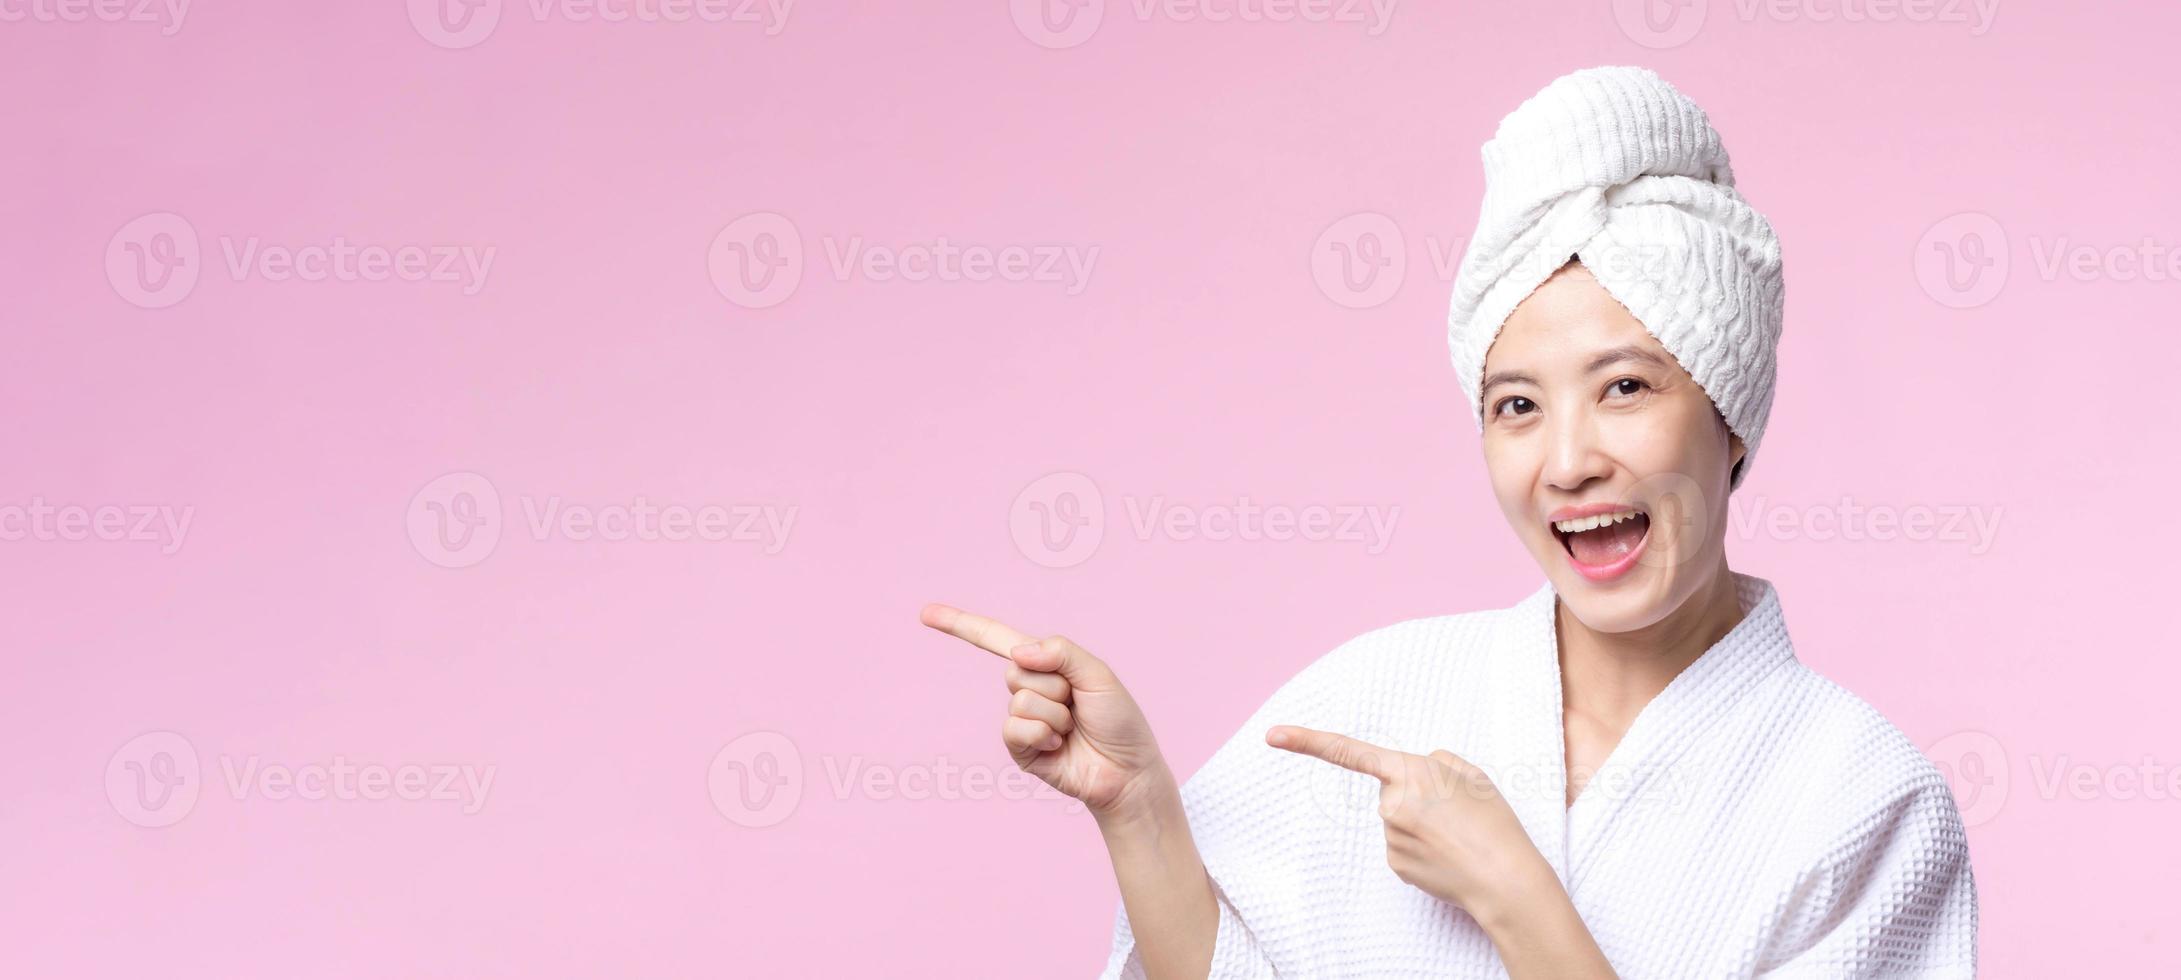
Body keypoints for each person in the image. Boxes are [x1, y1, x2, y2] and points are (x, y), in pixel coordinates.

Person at [921, 65, 1976, 978]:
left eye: (1625, 387)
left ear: (1731, 417)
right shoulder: (1378, 696)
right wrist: (1136, 804)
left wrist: (1517, 896)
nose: (1567, 461)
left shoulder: (1866, 800)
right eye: (1517, 405)